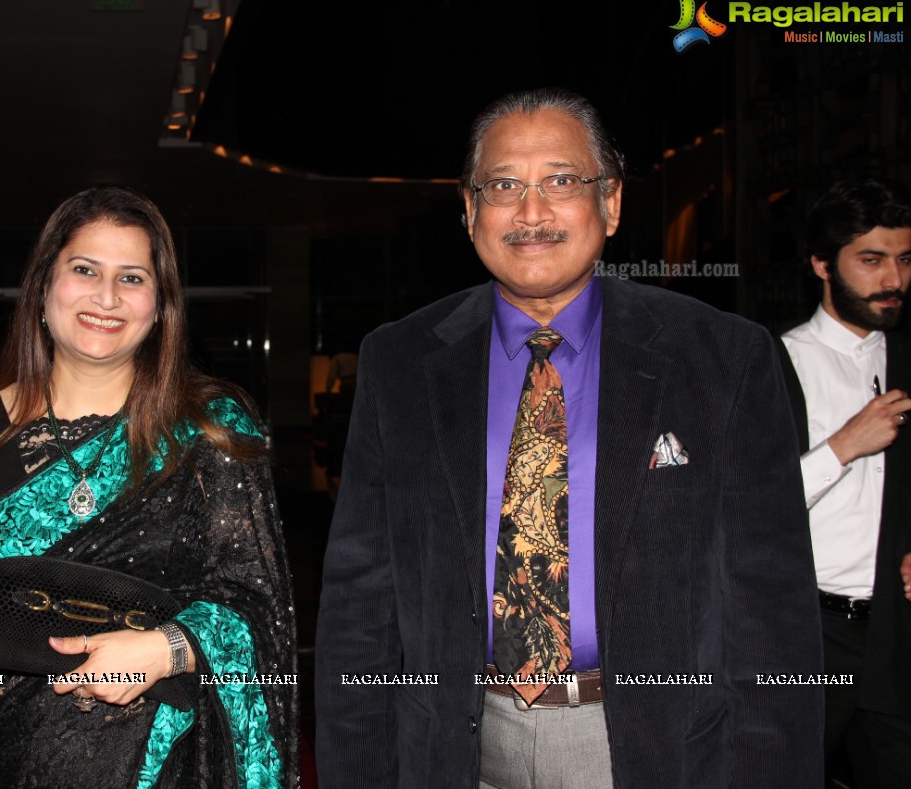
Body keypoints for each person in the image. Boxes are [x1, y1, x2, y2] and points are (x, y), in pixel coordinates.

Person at [315, 87, 823, 789]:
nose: (531, 211)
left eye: (561, 180)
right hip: (457, 748)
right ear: (469, 211)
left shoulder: (722, 358)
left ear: (610, 202)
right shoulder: (399, 362)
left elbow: (773, 606)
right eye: (502, 186)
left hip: (657, 747)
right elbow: (359, 607)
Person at [0, 186, 299, 789]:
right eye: (85, 269)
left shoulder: (209, 429)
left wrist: (169, 647)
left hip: (160, 763)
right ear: (41, 288)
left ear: (161, 306)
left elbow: (259, 602)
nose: (107, 297)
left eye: (133, 278)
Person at [778, 178, 911, 788]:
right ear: (821, 265)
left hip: (896, 631)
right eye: (872, 260)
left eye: (905, 260)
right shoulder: (776, 362)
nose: (894, 279)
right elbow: (750, 504)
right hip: (808, 631)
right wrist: (842, 446)